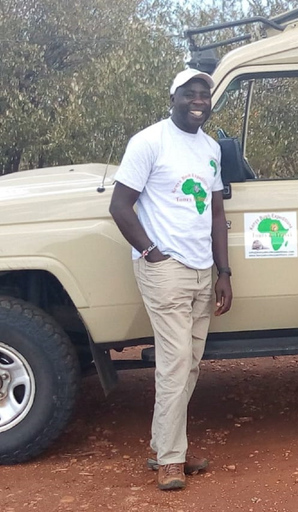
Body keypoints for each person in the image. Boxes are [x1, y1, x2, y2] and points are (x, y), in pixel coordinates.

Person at [109, 68, 233, 490]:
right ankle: (170, 460)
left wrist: (224, 271)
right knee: (176, 361)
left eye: (204, 94)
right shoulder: (149, 142)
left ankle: (165, 443)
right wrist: (151, 252)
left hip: (202, 269)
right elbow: (120, 205)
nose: (198, 99)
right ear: (174, 96)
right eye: (190, 93)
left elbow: (216, 214)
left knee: (191, 362)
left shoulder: (211, 147)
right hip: (165, 268)